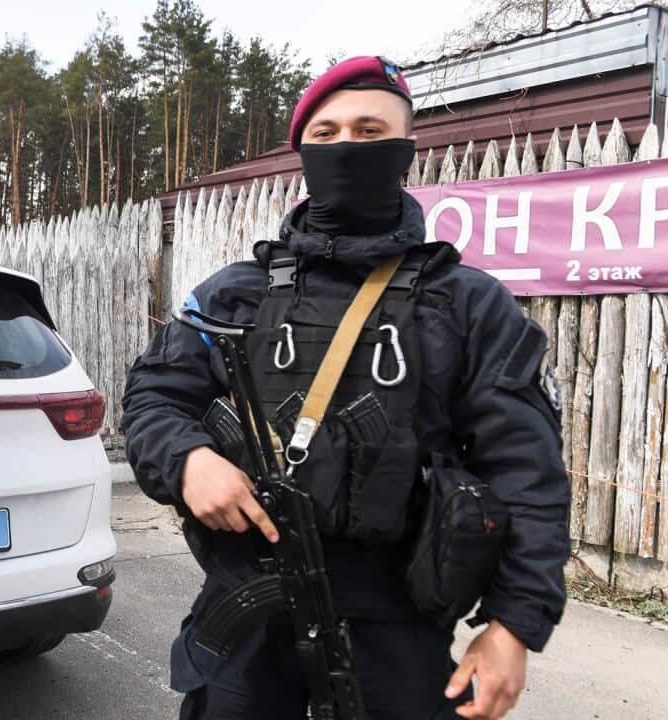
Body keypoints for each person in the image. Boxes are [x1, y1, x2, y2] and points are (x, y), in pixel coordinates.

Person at [122, 57, 570, 720]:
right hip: (246, 607)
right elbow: (154, 395)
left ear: (406, 150)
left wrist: (513, 627)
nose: (345, 148)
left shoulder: (468, 304)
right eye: (325, 134)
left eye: (368, 130)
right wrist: (189, 460)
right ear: (303, 152)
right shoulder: (236, 292)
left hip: (397, 622)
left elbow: (527, 472)